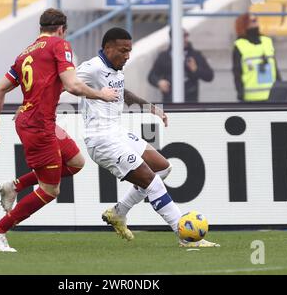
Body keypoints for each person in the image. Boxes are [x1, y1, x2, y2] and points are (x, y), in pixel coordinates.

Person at [0, 8, 118, 252]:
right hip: (38, 125)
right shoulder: (60, 45)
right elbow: (73, 85)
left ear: (40, 28)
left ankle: (14, 186)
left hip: (39, 121)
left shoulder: (25, 54)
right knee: (50, 189)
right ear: (61, 29)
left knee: (76, 162)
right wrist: (101, 95)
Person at [77, 27, 220, 247]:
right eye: (123, 51)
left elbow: (123, 94)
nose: (127, 56)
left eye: (129, 51)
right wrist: (32, 105)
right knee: (151, 182)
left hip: (117, 132)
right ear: (108, 48)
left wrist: (151, 108)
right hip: (101, 140)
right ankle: (185, 235)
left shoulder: (116, 69)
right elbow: (65, 82)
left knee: (162, 168)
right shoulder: (92, 67)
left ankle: (119, 212)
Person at [148, 28, 214, 103]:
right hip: (169, 102)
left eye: (186, 36)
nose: (185, 39)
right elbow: (151, 76)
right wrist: (159, 82)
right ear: (173, 39)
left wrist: (196, 70)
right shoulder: (164, 56)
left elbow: (210, 76)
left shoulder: (195, 55)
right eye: (182, 37)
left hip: (190, 103)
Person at [232, 13, 282, 102]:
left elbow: (275, 68)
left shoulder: (267, 41)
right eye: (253, 21)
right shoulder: (240, 45)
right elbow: (237, 72)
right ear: (245, 24)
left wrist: (281, 86)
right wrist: (240, 93)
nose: (257, 23)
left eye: (256, 20)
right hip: (250, 98)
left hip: (272, 96)